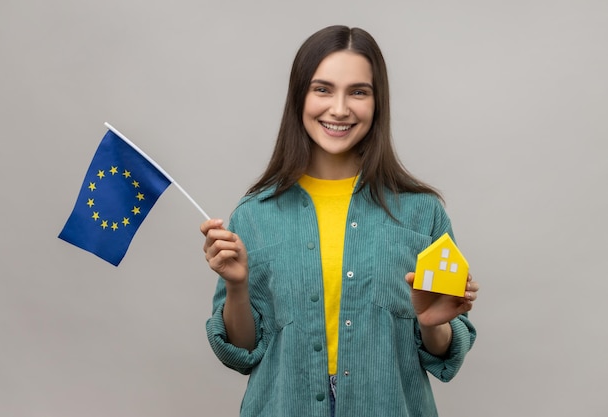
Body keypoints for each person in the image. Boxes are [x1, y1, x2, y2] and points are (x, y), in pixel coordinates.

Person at [201, 25, 479, 417]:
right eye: (323, 89)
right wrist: (237, 287)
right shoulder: (254, 214)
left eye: (358, 92)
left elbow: (445, 352)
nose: (340, 108)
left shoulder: (422, 213)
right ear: (299, 97)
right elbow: (241, 352)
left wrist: (434, 324)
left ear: (377, 102)